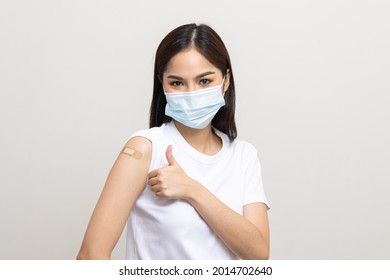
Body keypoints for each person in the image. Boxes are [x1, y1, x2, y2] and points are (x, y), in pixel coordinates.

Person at [77, 23, 270, 260]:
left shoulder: (243, 155)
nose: (191, 93)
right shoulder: (144, 149)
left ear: (226, 80)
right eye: (177, 83)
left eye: (204, 81)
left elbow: (258, 253)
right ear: (163, 84)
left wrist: (193, 190)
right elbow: (90, 255)